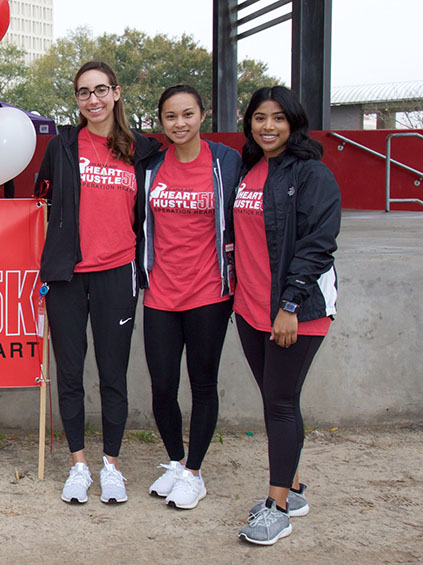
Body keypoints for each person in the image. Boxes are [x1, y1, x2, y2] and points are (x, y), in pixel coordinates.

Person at [35, 61, 160, 505]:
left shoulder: (142, 150)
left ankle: (111, 466)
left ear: (117, 93)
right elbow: (42, 199)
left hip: (117, 273)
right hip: (67, 277)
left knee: (113, 375)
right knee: (69, 374)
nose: (93, 99)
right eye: (84, 92)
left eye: (101, 90)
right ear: (76, 99)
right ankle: (78, 466)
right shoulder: (62, 145)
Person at [233, 85, 340, 546]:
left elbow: (319, 243)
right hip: (250, 308)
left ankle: (277, 509)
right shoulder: (249, 169)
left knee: (279, 403)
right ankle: (292, 490)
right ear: (250, 124)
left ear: (294, 122)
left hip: (294, 311)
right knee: (278, 400)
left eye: (278, 117)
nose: (269, 126)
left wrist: (290, 305)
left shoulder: (312, 174)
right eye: (260, 117)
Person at [140, 85, 241, 510]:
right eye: (170, 116)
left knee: (202, 384)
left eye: (187, 114)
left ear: (203, 115)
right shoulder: (152, 165)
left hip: (208, 293)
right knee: (162, 387)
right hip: (161, 292)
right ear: (160, 121)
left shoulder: (226, 162)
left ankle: (195, 472)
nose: (179, 123)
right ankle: (177, 463)